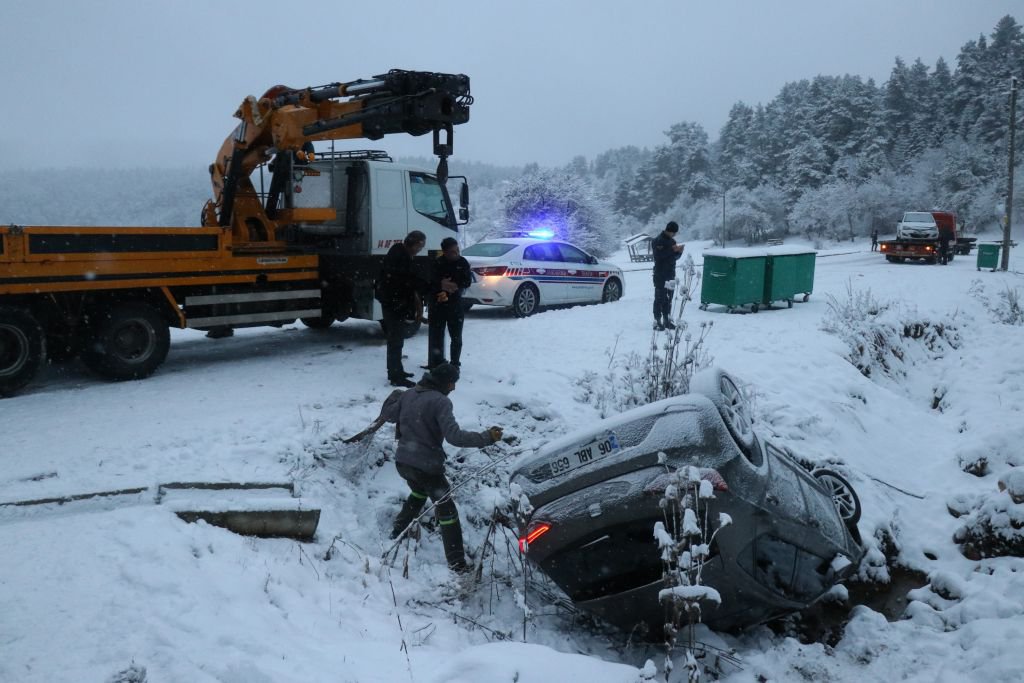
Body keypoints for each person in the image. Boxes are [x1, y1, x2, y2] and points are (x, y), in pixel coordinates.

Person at [382, 363, 503, 573]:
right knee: (447, 511)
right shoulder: (440, 402)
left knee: (419, 491)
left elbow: (389, 415)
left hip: (404, 463)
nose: (454, 388)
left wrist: (396, 397)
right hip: (426, 467)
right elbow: (455, 437)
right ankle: (457, 563)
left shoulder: (409, 394)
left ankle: (398, 530)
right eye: (452, 383)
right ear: (444, 383)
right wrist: (486, 437)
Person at [376, 231, 427, 387]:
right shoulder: (400, 257)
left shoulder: (399, 254)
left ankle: (397, 370)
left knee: (397, 340)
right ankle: (395, 376)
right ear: (414, 243)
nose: (420, 249)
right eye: (420, 245)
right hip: (394, 304)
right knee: (395, 340)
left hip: (393, 302)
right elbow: (406, 280)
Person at [427, 237, 472, 370]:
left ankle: (455, 363)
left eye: (457, 250)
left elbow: (467, 281)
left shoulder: (462, 263)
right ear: (445, 252)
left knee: (456, 337)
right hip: (438, 304)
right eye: (452, 251)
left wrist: (456, 285)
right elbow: (430, 282)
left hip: (455, 304)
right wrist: (440, 284)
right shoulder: (438, 263)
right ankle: (437, 362)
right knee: (437, 335)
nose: (456, 253)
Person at [652, 221, 684, 330]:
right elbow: (658, 256)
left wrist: (679, 252)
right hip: (660, 274)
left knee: (669, 298)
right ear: (669, 230)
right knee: (659, 298)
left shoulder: (672, 241)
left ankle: (667, 320)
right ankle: (657, 321)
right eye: (673, 233)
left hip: (670, 274)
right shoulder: (658, 241)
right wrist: (672, 250)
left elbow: (674, 257)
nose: (674, 235)